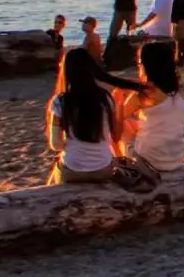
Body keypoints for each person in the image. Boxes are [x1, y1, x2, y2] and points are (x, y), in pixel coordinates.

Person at [48, 49, 139, 184]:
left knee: (57, 168)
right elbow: (116, 136)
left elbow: (55, 144)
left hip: (73, 171)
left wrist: (70, 145)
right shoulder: (105, 99)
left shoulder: (60, 101)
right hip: (103, 168)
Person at [123, 42, 184, 173]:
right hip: (175, 159)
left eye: (140, 63)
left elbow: (119, 115)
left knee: (122, 126)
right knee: (139, 123)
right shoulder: (177, 89)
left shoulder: (144, 93)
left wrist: (118, 98)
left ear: (146, 66)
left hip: (150, 161)